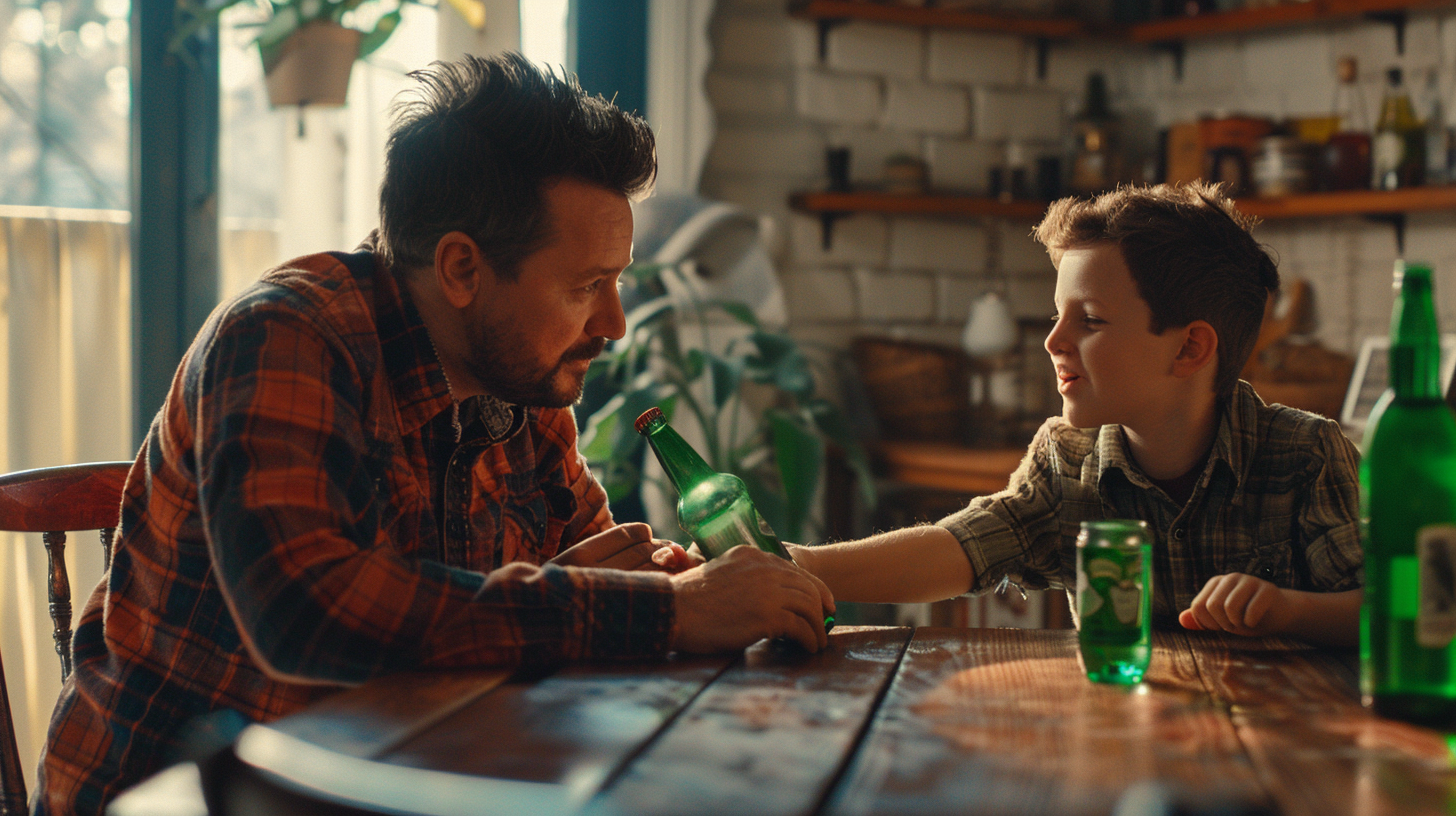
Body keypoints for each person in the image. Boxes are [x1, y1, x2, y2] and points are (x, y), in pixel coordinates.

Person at [34, 53, 833, 815]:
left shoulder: (526, 389)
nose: (616, 324)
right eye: (587, 285)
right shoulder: (286, 338)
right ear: (460, 269)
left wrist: (661, 592)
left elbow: (618, 575)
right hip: (182, 796)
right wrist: (658, 611)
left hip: (396, 783)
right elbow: (307, 614)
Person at [791, 182, 1363, 647]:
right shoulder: (1067, 460)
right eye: (1057, 316)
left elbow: (1389, 612)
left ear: (1189, 349)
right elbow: (960, 548)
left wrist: (1288, 611)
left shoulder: (1308, 455)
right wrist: (797, 564)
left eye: (1089, 320)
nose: (1052, 342)